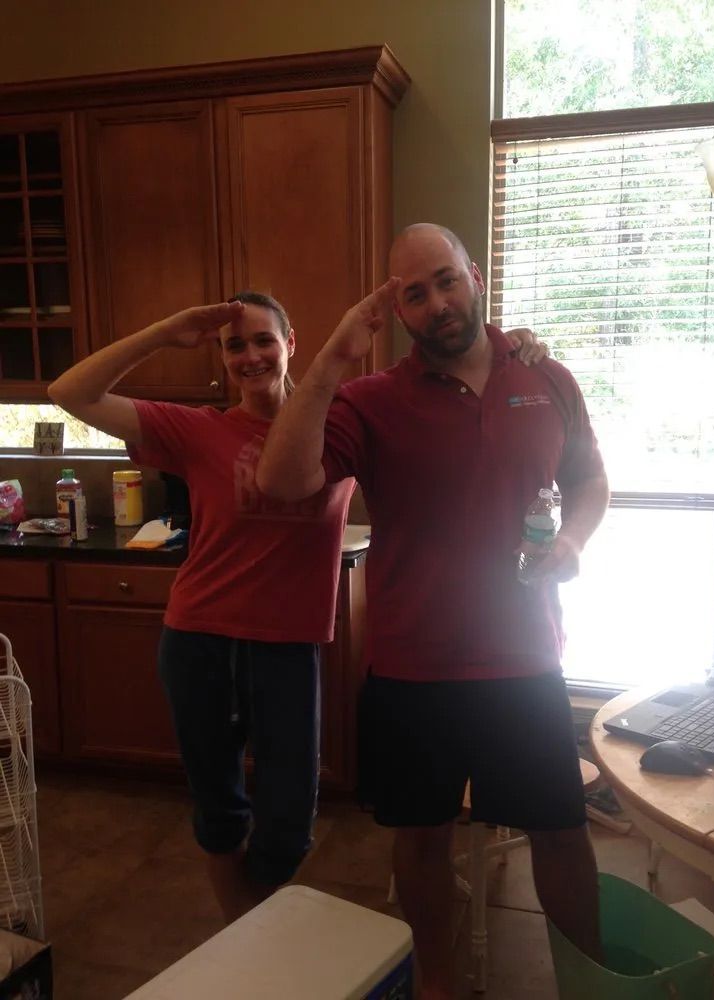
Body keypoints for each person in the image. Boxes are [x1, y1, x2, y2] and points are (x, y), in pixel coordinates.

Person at [48, 286, 547, 928]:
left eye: (264, 340)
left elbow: (445, 393)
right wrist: (165, 331)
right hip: (199, 641)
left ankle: (251, 930)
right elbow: (70, 392)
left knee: (288, 827)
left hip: (287, 647)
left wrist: (511, 349)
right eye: (235, 345)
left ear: (291, 344)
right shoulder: (197, 429)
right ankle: (245, 939)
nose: (250, 355)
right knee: (220, 810)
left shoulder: (340, 422)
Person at [256, 224, 610, 999]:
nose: (437, 303)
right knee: (421, 843)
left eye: (446, 280)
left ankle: (590, 986)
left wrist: (574, 540)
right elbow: (281, 481)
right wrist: (333, 358)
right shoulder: (370, 401)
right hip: (414, 669)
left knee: (561, 834)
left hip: (526, 660)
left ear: (474, 276)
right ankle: (438, 985)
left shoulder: (545, 376)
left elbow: (590, 477)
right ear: (398, 312)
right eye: (414, 294)